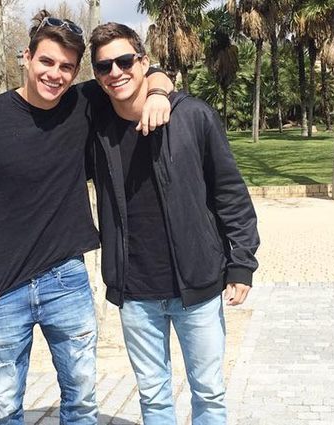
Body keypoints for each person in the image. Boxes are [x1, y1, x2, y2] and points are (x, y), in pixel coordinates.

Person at [0, 11, 173, 425]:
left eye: (67, 67)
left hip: (65, 281)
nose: (55, 74)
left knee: (82, 398)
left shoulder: (82, 103)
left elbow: (143, 72)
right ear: (27, 57)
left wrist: (160, 94)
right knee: (3, 405)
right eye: (47, 62)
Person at [87, 23, 260, 424]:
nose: (116, 72)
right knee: (153, 396)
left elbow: (230, 193)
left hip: (196, 285)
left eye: (125, 61)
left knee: (209, 393)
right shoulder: (94, 128)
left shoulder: (194, 116)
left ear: (144, 62)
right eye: (104, 66)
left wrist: (242, 264)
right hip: (134, 290)